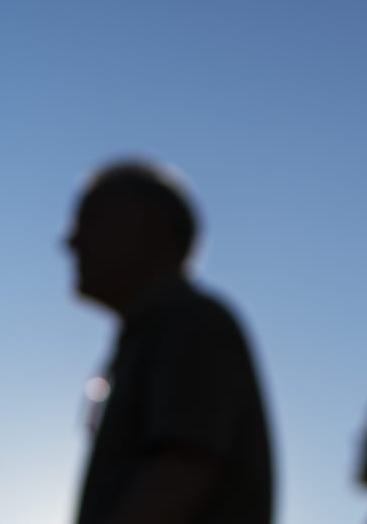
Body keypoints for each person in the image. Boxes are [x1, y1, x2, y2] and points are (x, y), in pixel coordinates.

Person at [66, 160, 273, 524]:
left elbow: (176, 481)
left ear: (150, 230)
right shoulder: (152, 335)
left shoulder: (189, 323)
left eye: (90, 220)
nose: (70, 240)